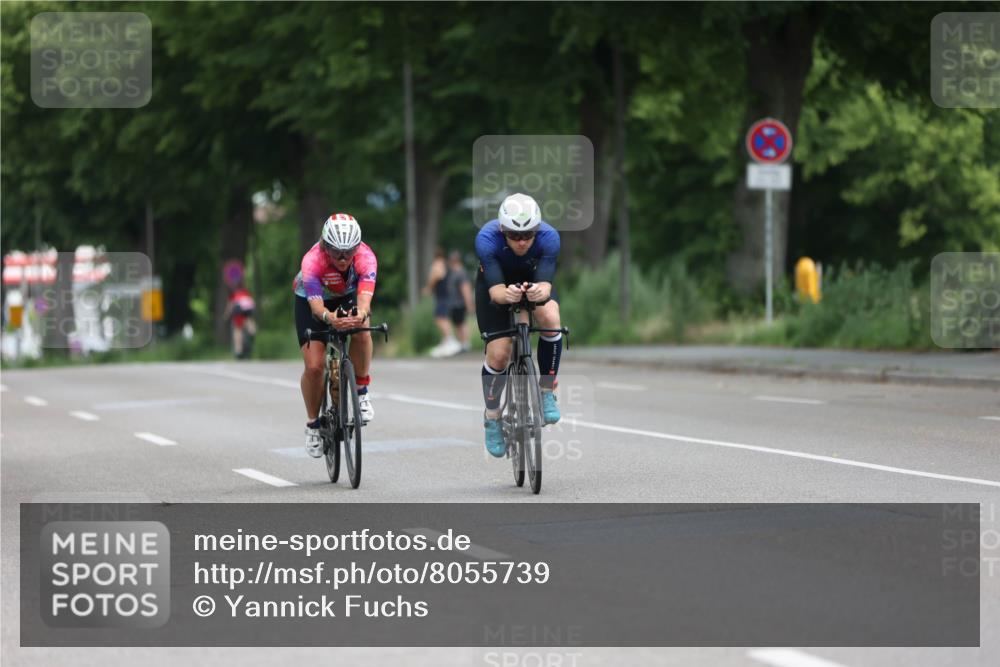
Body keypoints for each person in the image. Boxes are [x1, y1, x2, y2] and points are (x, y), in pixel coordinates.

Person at [474, 193, 563, 458]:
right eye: (514, 236)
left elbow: (546, 285)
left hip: (533, 281)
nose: (522, 241)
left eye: (528, 235)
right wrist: (508, 295)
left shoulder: (550, 238)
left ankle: (546, 389)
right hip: (497, 286)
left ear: (538, 230)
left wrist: (538, 293)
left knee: (551, 318)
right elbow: (496, 293)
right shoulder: (487, 239)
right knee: (500, 353)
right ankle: (492, 416)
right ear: (503, 230)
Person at [293, 212, 378, 458]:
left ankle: (361, 391)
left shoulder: (366, 257)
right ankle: (312, 424)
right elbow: (317, 308)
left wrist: (360, 314)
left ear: (357, 247)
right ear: (325, 246)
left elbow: (365, 299)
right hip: (311, 300)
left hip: (348, 294)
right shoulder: (312, 260)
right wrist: (330, 318)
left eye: (348, 252)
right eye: (336, 252)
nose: (343, 258)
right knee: (314, 367)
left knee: (362, 330)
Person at [423, 248, 458, 358]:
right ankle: (446, 341)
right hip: (444, 295)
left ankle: (450, 340)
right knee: (443, 318)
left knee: (440, 318)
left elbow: (438, 275)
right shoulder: (444, 263)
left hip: (442, 296)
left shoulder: (437, 263)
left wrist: (429, 287)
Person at [445, 250, 473, 353]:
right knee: (457, 324)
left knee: (462, 323)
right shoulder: (453, 273)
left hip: (459, 303)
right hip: (453, 303)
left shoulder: (461, 273)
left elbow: (466, 289)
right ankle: (461, 343)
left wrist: (469, 304)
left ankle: (465, 344)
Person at [223, 283, 256, 359]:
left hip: (238, 309)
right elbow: (252, 302)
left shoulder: (233, 294)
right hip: (248, 308)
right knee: (248, 320)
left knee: (237, 329)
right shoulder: (246, 292)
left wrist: (226, 316)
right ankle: (252, 332)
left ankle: (238, 350)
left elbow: (230, 306)